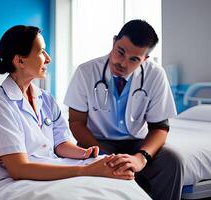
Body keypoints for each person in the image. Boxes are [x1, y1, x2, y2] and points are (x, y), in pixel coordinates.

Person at [0, 25, 143, 200]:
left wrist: (85, 154)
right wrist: (86, 170)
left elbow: (60, 144)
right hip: (7, 182)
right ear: (20, 61)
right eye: (41, 52)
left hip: (45, 168)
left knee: (113, 172)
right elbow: (18, 169)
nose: (48, 58)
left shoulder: (44, 98)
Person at [64, 19, 184, 200]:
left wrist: (140, 158)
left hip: (138, 143)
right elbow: (76, 122)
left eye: (134, 59)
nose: (123, 63)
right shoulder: (86, 72)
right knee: (84, 165)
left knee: (172, 161)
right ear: (114, 42)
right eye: (120, 52)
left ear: (145, 59)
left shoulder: (156, 75)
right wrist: (105, 155)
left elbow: (160, 127)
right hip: (95, 142)